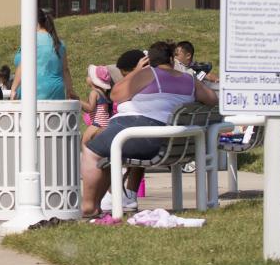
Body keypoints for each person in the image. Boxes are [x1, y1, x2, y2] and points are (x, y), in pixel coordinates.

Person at [82, 43, 218, 220]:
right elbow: (212, 99)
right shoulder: (191, 81)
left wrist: (137, 71)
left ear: (148, 61)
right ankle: (98, 205)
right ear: (171, 59)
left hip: (140, 134)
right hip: (171, 143)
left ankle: (89, 206)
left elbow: (115, 95)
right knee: (106, 152)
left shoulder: (147, 74)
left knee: (91, 150)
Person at [10, 10, 78, 102]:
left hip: (34, 92)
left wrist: (13, 89)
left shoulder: (31, 40)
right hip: (57, 93)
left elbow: (23, 66)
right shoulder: (60, 43)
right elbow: (65, 70)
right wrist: (70, 90)